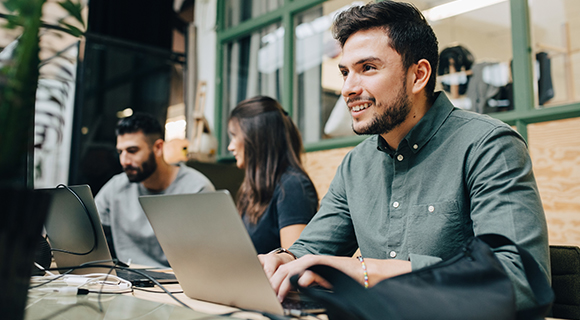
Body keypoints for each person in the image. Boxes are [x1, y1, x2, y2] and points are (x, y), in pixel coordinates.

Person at [259, 0, 550, 311]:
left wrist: (363, 271)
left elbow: (520, 279)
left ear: (418, 75)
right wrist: (283, 259)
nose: (347, 88)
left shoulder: (488, 145)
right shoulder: (355, 165)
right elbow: (312, 248)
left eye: (367, 68)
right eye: (345, 72)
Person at [95, 112, 215, 268]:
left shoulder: (197, 189)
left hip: (178, 286)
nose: (124, 161)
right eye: (120, 152)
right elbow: (85, 231)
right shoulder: (116, 187)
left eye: (132, 151)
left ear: (158, 148)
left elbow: (213, 256)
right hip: (126, 282)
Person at [227, 96, 318, 254]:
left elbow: (293, 263)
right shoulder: (251, 189)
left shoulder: (293, 186)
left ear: (256, 137)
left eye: (234, 136)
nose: (230, 146)